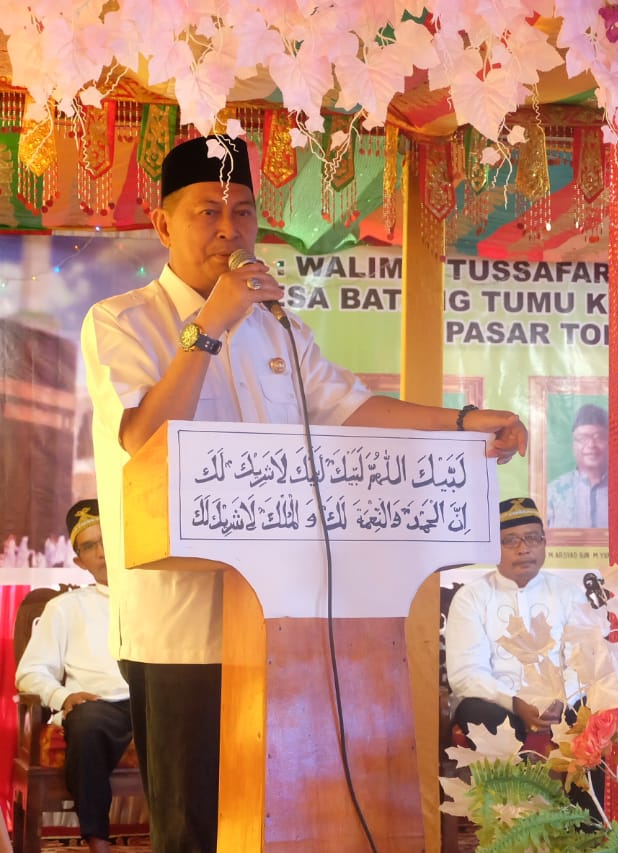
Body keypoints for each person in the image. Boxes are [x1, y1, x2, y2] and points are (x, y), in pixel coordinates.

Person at [80, 134, 528, 853]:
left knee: (281, 823)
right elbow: (145, 437)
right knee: (196, 830)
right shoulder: (122, 320)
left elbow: (349, 406)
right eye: (206, 211)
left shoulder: (278, 328)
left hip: (286, 622)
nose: (229, 229)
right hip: (184, 630)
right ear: (162, 224)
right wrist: (210, 324)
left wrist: (468, 421)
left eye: (244, 210)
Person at [15, 500, 132, 853]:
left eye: (106, 540)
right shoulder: (66, 607)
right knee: (87, 722)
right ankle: (97, 840)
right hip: (100, 706)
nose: (101, 552)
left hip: (153, 701)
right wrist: (62, 697)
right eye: (90, 546)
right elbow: (30, 672)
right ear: (79, 561)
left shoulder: (159, 599)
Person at [445, 498, 581, 741]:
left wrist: (562, 699)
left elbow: (585, 662)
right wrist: (515, 702)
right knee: (475, 711)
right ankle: (515, 779)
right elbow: (467, 674)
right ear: (492, 548)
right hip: (501, 708)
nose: (523, 549)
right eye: (510, 540)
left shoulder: (569, 594)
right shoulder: (472, 597)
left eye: (532, 538)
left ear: (544, 543)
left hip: (562, 706)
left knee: (594, 710)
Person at [546, 402, 608, 528]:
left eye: (599, 437)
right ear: (573, 445)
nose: (591, 445)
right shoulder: (553, 492)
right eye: (583, 438)